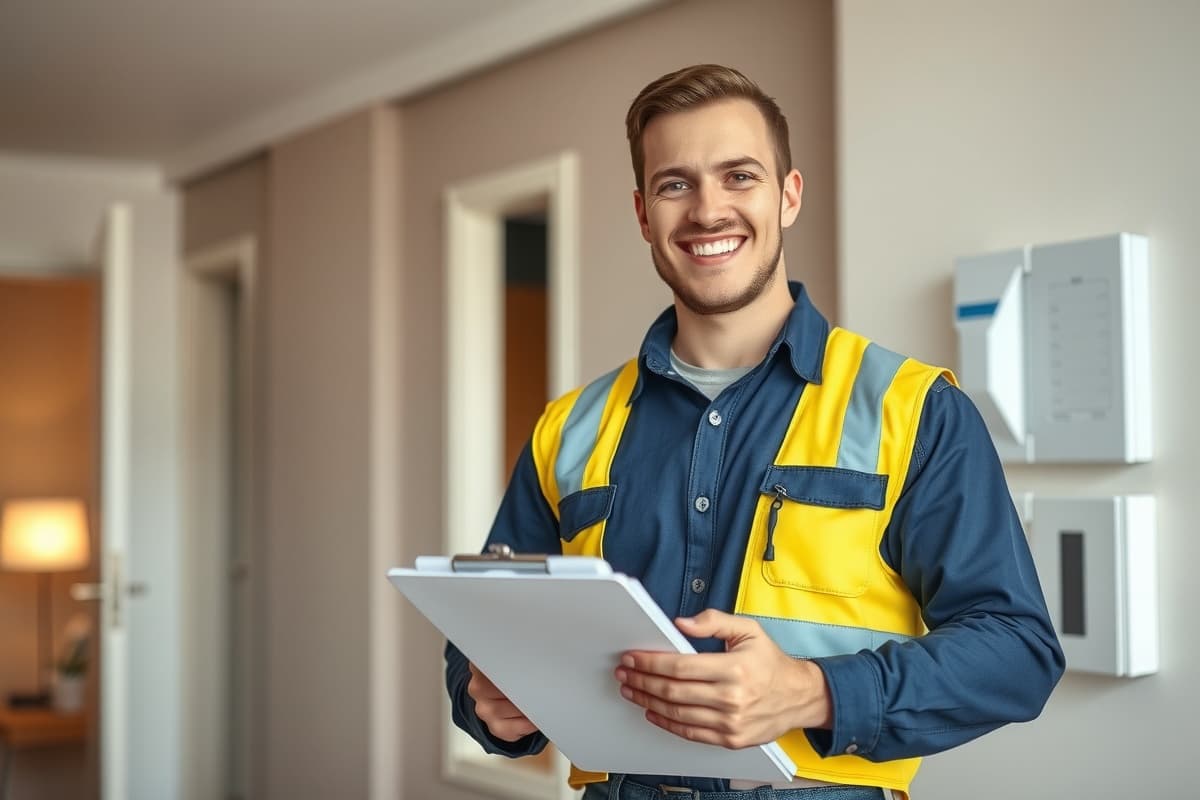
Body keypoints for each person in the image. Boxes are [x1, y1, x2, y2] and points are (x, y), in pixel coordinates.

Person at [444, 63, 1063, 800]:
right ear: (644, 214)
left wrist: (814, 691)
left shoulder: (913, 410)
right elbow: (485, 633)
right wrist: (490, 703)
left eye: (739, 176)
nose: (708, 211)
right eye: (676, 184)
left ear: (788, 195)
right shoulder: (568, 427)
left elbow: (1018, 651)